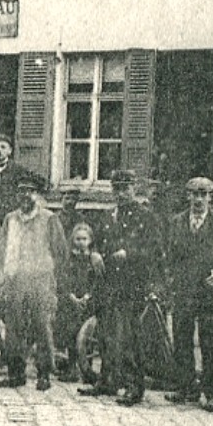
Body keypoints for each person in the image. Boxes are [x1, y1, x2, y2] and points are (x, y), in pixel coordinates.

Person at [79, 169, 162, 406]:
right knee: (105, 332)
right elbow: (95, 243)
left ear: (134, 189)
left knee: (128, 336)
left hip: (131, 284)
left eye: (126, 188)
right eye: (117, 189)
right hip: (107, 283)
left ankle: (134, 386)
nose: (122, 193)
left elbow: (154, 251)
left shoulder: (146, 217)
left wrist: (130, 253)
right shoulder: (108, 216)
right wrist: (93, 253)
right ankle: (107, 381)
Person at [162, 176, 213, 412]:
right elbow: (168, 254)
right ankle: (186, 387)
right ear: (188, 196)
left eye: (203, 195)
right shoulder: (176, 222)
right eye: (194, 194)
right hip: (184, 289)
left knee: (210, 341)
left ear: (210, 197)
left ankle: (212, 392)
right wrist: (170, 279)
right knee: (182, 338)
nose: (198, 200)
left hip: (209, 291)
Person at [0, 172, 65, 391]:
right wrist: (0, 277)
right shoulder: (10, 219)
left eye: (30, 192)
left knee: (41, 326)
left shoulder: (49, 219)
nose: (25, 196)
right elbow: (2, 250)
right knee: (13, 328)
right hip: (15, 279)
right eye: (21, 191)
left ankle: (44, 374)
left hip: (40, 280)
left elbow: (60, 252)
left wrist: (54, 281)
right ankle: (15, 373)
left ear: (37, 195)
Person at [56, 221, 98, 383]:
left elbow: (96, 281)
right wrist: (71, 296)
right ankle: (72, 367)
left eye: (84, 239)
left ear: (90, 240)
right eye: (78, 239)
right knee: (71, 333)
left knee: (87, 335)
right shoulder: (69, 259)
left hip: (88, 301)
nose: (81, 242)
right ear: (73, 240)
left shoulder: (93, 259)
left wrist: (88, 296)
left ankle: (87, 368)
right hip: (71, 301)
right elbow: (63, 280)